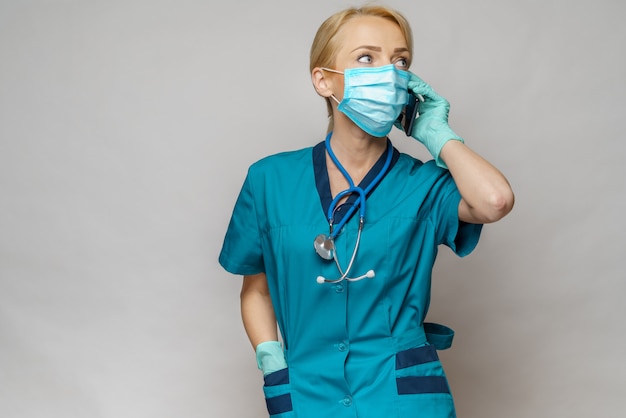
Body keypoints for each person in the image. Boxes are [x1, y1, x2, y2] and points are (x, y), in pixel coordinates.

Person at [219, 5, 514, 417]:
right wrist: (274, 369)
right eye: (366, 58)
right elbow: (256, 291)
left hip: (403, 398)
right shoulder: (269, 179)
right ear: (323, 80)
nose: (390, 72)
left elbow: (495, 201)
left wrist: (436, 133)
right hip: (306, 397)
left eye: (401, 60)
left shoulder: (423, 184)